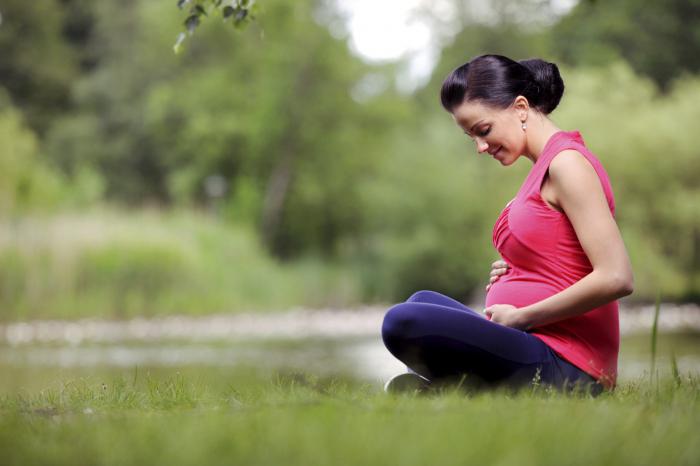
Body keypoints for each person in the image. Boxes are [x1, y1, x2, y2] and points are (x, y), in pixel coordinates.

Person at [381, 54, 634, 395]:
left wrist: (522, 316)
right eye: (471, 137)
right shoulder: (544, 166)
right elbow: (564, 253)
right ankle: (457, 391)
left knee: (404, 322)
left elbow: (616, 276)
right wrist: (522, 267)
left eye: (483, 130)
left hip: (569, 363)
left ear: (519, 107)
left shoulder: (567, 164)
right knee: (420, 301)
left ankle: (454, 391)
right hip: (533, 342)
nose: (480, 147)